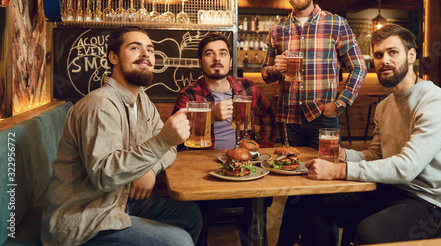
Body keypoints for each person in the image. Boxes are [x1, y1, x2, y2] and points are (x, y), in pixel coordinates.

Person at [277, 24, 441, 245]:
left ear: (411, 55)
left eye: (392, 52)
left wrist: (339, 170)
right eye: (378, 54)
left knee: (368, 232)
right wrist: (343, 155)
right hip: (387, 188)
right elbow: (376, 154)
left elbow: (406, 168)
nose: (384, 60)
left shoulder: (434, 102)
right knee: (310, 203)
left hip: (427, 202)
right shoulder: (384, 106)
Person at [41, 26, 202, 246]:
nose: (146, 54)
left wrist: (151, 170)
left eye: (151, 50)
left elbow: (169, 149)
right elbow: (104, 175)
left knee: (191, 215)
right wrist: (163, 140)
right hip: (86, 219)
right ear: (113, 57)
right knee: (179, 241)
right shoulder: (100, 105)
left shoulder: (143, 102)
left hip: (122, 201)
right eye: (135, 48)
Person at [261, 0, 366, 149]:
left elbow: (359, 67)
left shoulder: (336, 24)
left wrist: (340, 104)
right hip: (287, 119)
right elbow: (265, 74)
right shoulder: (277, 29)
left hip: (323, 118)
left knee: (328, 172)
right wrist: (276, 70)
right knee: (290, 173)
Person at [173, 32, 275, 149]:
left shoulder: (247, 87)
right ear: (200, 62)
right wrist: (211, 116)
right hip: (203, 162)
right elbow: (176, 137)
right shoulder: (189, 95)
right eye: (209, 53)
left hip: (242, 161)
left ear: (230, 61)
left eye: (223, 53)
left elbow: (267, 113)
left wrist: (265, 146)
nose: (217, 58)